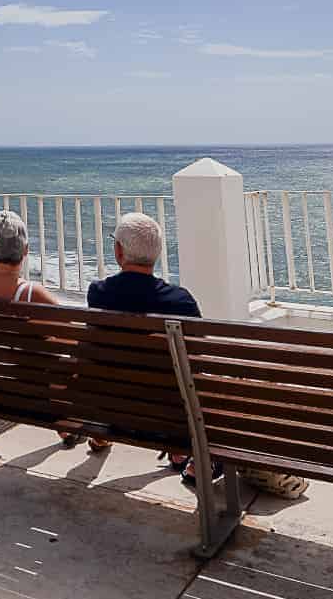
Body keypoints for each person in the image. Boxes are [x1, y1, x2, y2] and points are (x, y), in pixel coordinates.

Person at [78, 212, 308, 500]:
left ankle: (114, 438)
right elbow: (198, 364)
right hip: (171, 421)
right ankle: (190, 462)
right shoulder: (180, 302)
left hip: (111, 411)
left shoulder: (97, 294)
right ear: (157, 254)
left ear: (118, 251)